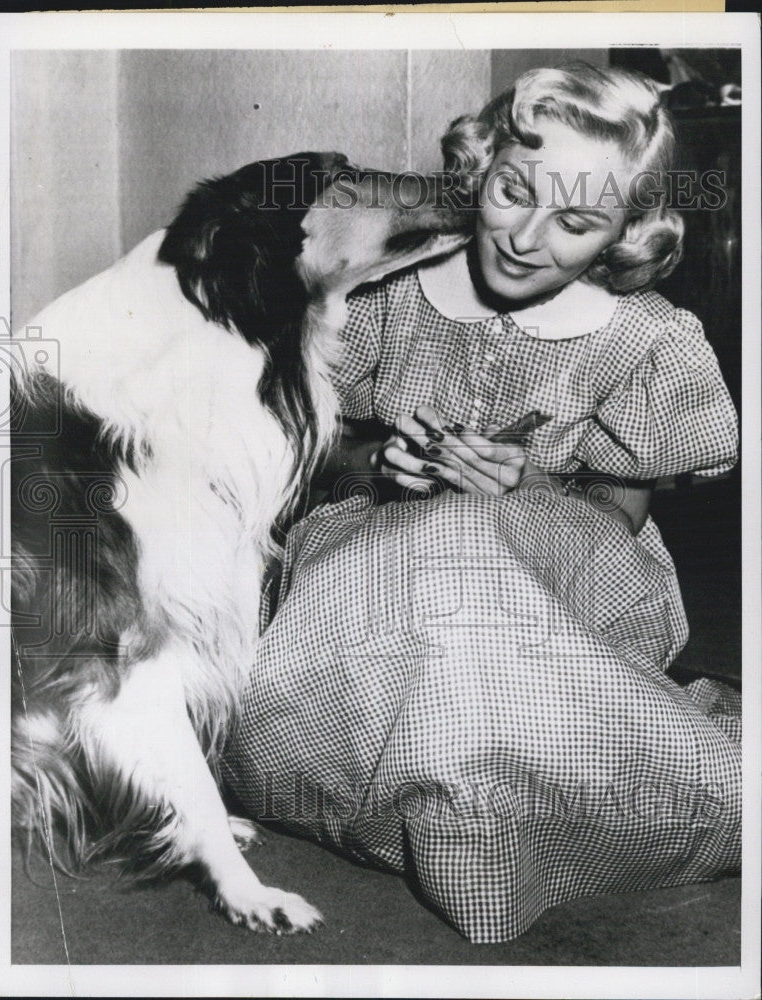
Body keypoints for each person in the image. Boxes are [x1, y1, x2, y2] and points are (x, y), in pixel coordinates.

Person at [221, 64, 741, 943]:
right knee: (436, 544)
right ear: (480, 168)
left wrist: (528, 489)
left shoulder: (645, 338)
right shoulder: (388, 294)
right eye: (512, 192)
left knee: (468, 541)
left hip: (563, 579)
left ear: (626, 231)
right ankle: (467, 803)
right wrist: (377, 461)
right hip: (373, 574)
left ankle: (491, 803)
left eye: (576, 222)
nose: (526, 238)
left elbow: (618, 519)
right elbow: (307, 457)